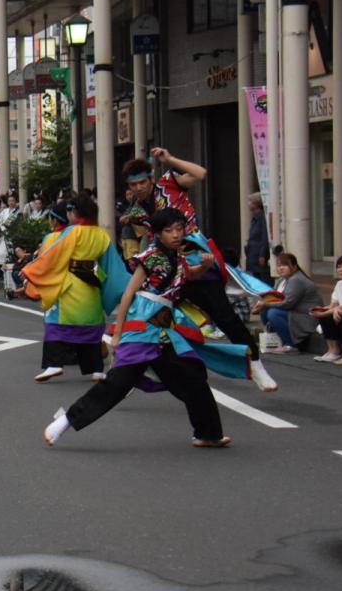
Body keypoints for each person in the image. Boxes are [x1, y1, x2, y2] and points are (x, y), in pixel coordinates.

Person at [43, 208, 251, 448]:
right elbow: (130, 292)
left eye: (179, 229)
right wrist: (118, 334)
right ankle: (66, 421)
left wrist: (205, 266)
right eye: (168, 230)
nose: (175, 234)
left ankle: (208, 434)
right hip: (142, 329)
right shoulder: (150, 256)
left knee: (193, 379)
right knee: (118, 384)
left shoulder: (180, 257)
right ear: (158, 234)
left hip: (164, 333)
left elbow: (189, 276)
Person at [122, 148, 279, 392]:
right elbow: (146, 237)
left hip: (197, 258)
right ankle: (139, 368)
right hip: (166, 267)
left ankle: (255, 362)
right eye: (135, 184)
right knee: (150, 316)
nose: (140, 187)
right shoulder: (136, 210)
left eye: (144, 182)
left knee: (224, 316)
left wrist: (170, 159)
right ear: (129, 187)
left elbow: (200, 173)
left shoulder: (169, 183)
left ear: (151, 179)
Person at [21, 194, 129, 383]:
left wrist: (30, 270)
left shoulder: (72, 232)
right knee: (91, 327)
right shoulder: (100, 234)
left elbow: (53, 256)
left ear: (74, 212)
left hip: (70, 286)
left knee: (56, 323)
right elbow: (112, 264)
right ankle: (95, 369)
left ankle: (54, 364)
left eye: (70, 211)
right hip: (91, 286)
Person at [255, 253, 323, 353]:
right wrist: (260, 305)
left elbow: (288, 304)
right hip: (293, 312)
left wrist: (265, 304)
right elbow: (272, 299)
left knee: (273, 313)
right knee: (265, 310)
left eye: (284, 265)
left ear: (294, 267)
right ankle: (275, 337)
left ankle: (290, 344)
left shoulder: (296, 279)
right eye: (278, 266)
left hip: (306, 316)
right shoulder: (280, 280)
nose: (280, 268)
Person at [244, 193, 270, 281]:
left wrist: (262, 254)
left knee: (262, 279)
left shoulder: (262, 218)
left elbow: (265, 236)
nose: (248, 204)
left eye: (250, 202)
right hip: (252, 256)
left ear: (256, 204)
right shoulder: (254, 219)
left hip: (258, 257)